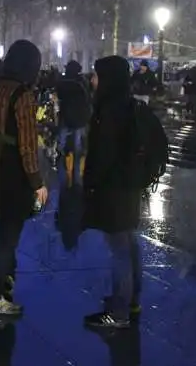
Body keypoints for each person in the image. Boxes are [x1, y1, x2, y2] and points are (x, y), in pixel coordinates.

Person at [0, 39, 47, 316]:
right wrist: (37, 182)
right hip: (13, 171)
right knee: (9, 237)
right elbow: (28, 145)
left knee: (3, 229)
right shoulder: (23, 95)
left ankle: (6, 281)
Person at [83, 55, 143, 329]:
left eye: (96, 75)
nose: (93, 81)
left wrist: (92, 185)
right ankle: (131, 299)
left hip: (114, 188)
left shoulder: (109, 111)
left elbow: (103, 154)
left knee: (119, 248)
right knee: (129, 244)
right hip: (128, 186)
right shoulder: (128, 105)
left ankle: (119, 311)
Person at [55, 60, 91, 187]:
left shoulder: (63, 82)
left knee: (62, 141)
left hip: (66, 116)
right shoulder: (82, 82)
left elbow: (59, 95)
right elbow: (87, 98)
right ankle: (76, 178)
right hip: (79, 117)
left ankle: (60, 160)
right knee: (77, 144)